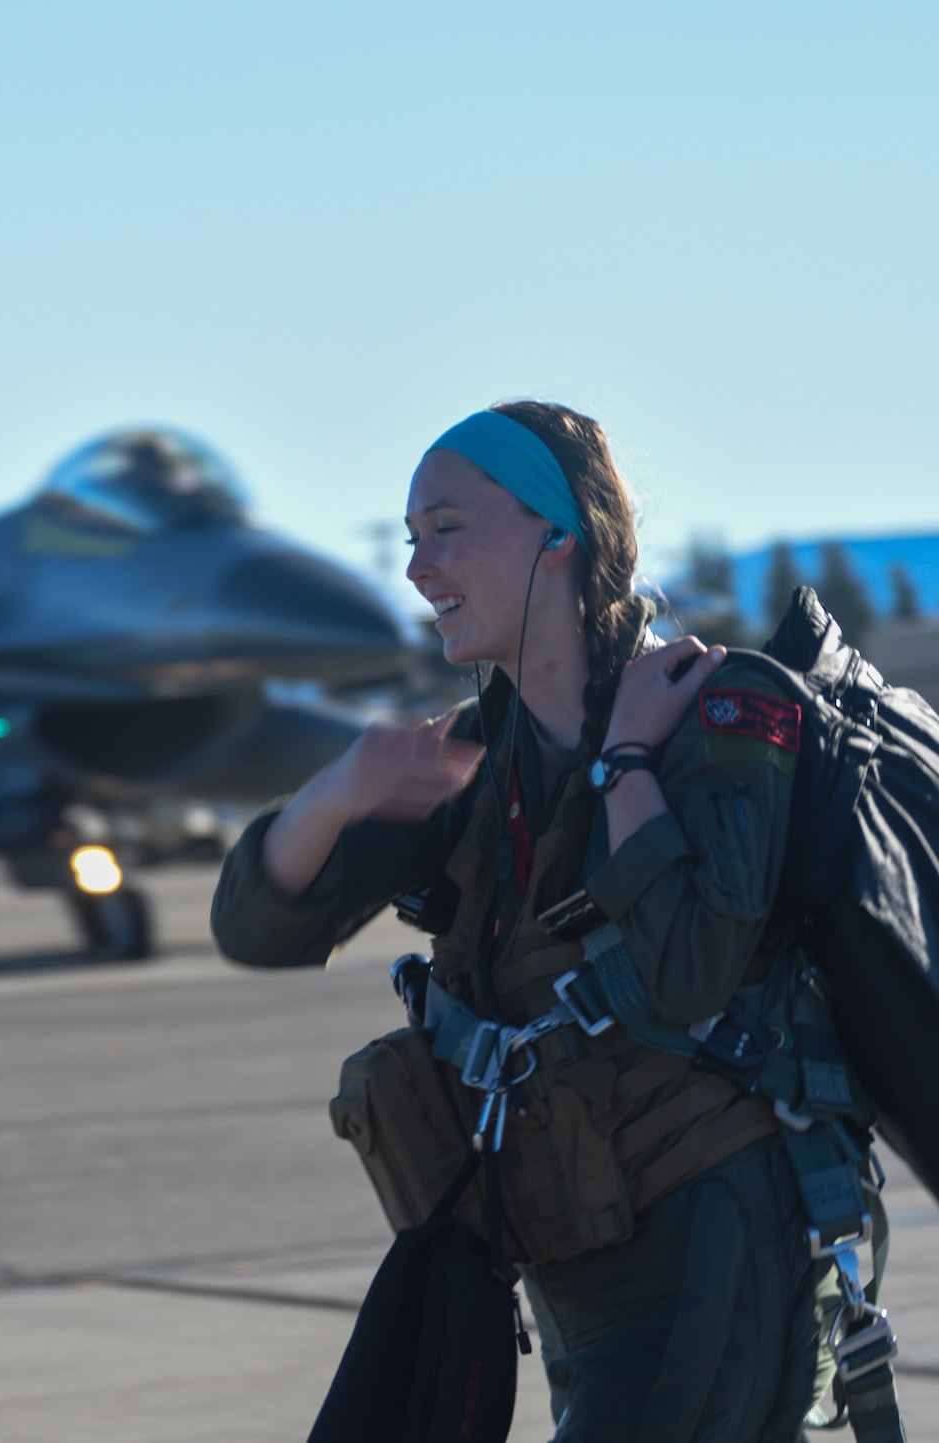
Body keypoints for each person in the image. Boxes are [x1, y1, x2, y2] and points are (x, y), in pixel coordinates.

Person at [211, 401, 845, 1440]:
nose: (415, 570)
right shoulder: (465, 761)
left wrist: (627, 764)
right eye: (410, 539)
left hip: (708, 1238)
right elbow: (256, 931)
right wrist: (336, 791)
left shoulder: (715, 709)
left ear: (558, 536)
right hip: (566, 1250)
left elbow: (686, 968)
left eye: (445, 529)